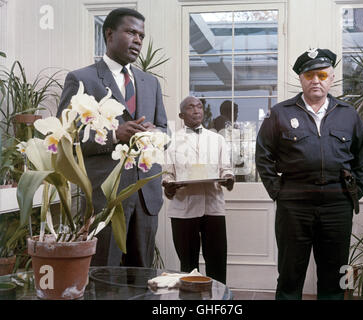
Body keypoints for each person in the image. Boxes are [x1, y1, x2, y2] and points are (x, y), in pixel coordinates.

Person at [57, 8, 168, 267]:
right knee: (103, 278)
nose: (138, 40)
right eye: (131, 32)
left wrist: (155, 134)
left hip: (146, 197)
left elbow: (165, 129)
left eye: (141, 35)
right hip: (104, 198)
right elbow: (66, 138)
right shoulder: (81, 79)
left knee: (142, 279)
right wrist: (113, 135)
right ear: (109, 34)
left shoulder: (150, 83)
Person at [255, 48, 363, 300]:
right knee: (289, 273)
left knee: (335, 274)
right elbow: (263, 156)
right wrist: (279, 192)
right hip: (294, 204)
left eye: (321, 74)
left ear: (331, 77)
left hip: (337, 204)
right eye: (309, 75)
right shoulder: (280, 113)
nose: (315, 80)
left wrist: (354, 191)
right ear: (301, 79)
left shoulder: (348, 113)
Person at [162, 96, 234, 284]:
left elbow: (226, 169)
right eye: (190, 107)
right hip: (183, 210)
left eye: (199, 107)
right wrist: (169, 184)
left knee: (217, 263)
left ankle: (219, 302)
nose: (196, 110)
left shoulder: (217, 139)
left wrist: (228, 178)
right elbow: (167, 173)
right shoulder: (171, 141)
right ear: (181, 114)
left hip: (213, 208)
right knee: (188, 265)